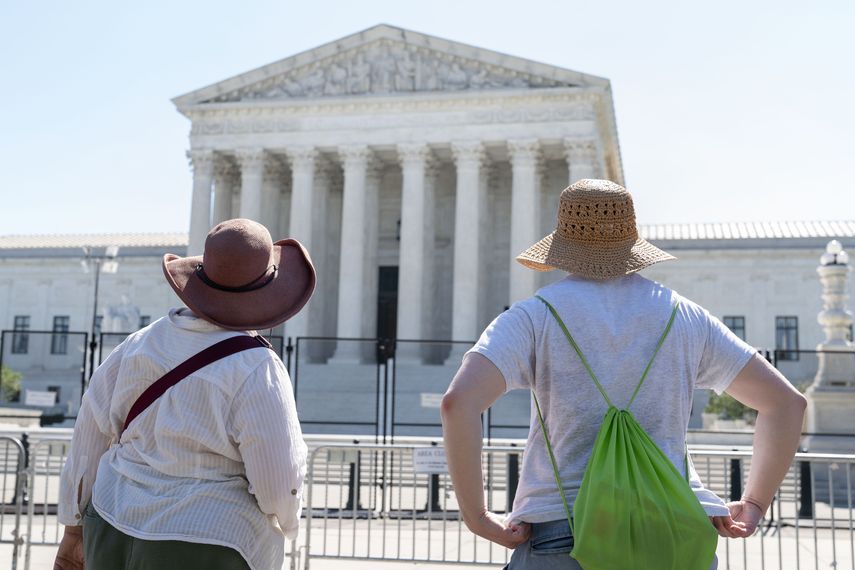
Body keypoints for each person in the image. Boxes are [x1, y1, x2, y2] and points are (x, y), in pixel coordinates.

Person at [441, 179, 807, 569]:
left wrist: (478, 517)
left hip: (565, 527)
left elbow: (458, 403)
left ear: (562, 246)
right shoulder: (686, 317)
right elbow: (787, 404)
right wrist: (754, 503)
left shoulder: (533, 316)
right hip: (673, 529)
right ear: (632, 243)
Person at [53, 218, 316, 570]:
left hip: (112, 521)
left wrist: (73, 528)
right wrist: (288, 522)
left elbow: (89, 438)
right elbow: (277, 482)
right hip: (208, 539)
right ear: (267, 293)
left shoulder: (137, 344)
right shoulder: (257, 367)